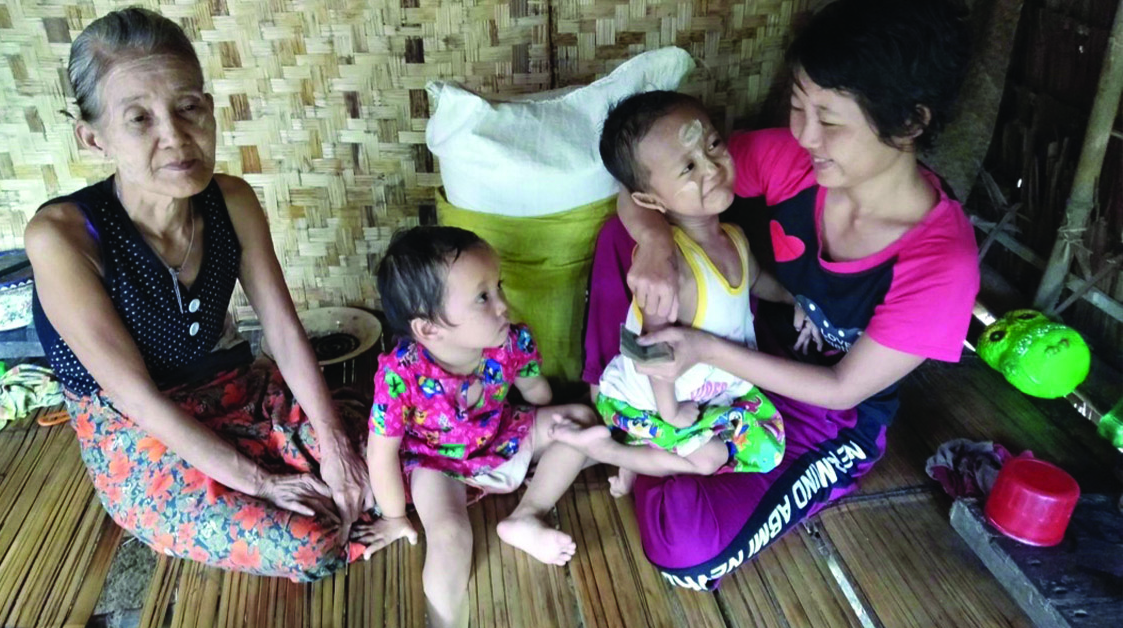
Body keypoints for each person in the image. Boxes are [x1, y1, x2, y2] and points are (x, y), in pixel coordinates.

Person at [584, 0, 978, 590]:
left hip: (823, 408)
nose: (805, 134)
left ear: (909, 122)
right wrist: (655, 246)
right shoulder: (794, 161)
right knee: (627, 241)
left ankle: (645, 447)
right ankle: (629, 413)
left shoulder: (939, 264)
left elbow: (844, 386)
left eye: (830, 119)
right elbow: (642, 186)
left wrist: (701, 350)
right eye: (799, 106)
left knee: (686, 550)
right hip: (739, 344)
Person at [25, 8, 368, 581]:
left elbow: (282, 332)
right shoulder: (62, 236)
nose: (176, 137)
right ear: (93, 138)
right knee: (310, 541)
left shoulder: (230, 200)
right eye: (139, 119)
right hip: (143, 432)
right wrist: (262, 482)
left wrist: (334, 447)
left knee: (382, 470)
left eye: (189, 107)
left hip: (239, 391)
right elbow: (137, 399)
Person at [550, 91, 794, 497]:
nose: (713, 167)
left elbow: (754, 282)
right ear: (649, 200)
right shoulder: (672, 269)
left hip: (708, 387)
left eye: (713, 144)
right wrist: (669, 412)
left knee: (768, 444)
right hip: (646, 400)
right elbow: (650, 351)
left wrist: (791, 298)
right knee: (710, 457)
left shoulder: (733, 236)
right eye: (688, 167)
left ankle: (639, 454)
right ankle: (609, 449)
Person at [353, 227, 596, 628]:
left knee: (580, 422)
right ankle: (445, 621)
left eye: (497, 287)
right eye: (483, 297)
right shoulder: (400, 374)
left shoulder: (511, 341)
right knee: (449, 537)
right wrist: (395, 517)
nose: (503, 304)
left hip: (503, 436)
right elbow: (382, 452)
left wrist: (554, 438)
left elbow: (537, 393)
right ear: (429, 329)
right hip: (436, 464)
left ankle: (526, 516)